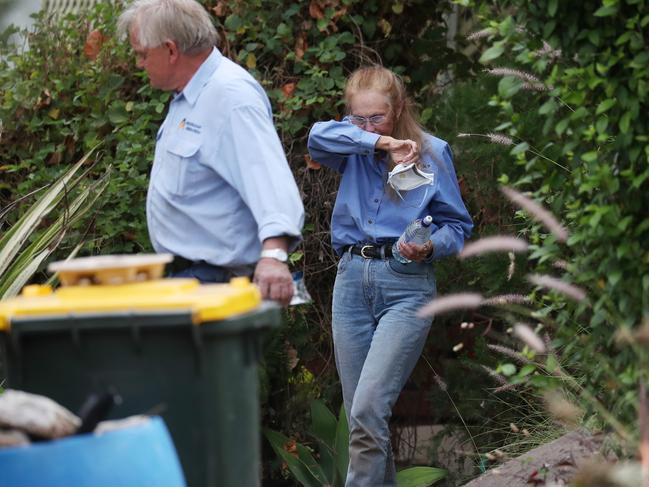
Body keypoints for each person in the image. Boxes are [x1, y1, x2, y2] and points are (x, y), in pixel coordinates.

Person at [307, 66, 473, 486]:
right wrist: (377, 139)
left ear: (398, 108)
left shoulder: (434, 152)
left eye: (376, 117)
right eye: (356, 118)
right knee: (361, 417)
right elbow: (317, 137)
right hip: (351, 280)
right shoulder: (352, 146)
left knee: (367, 411)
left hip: (406, 285)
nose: (364, 125)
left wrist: (431, 245)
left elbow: (458, 227)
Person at [117, 0, 303, 306]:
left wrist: (273, 256)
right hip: (193, 279)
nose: (139, 64)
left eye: (142, 54)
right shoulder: (189, 95)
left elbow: (268, 180)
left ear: (171, 50)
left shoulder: (230, 96)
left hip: (216, 283)